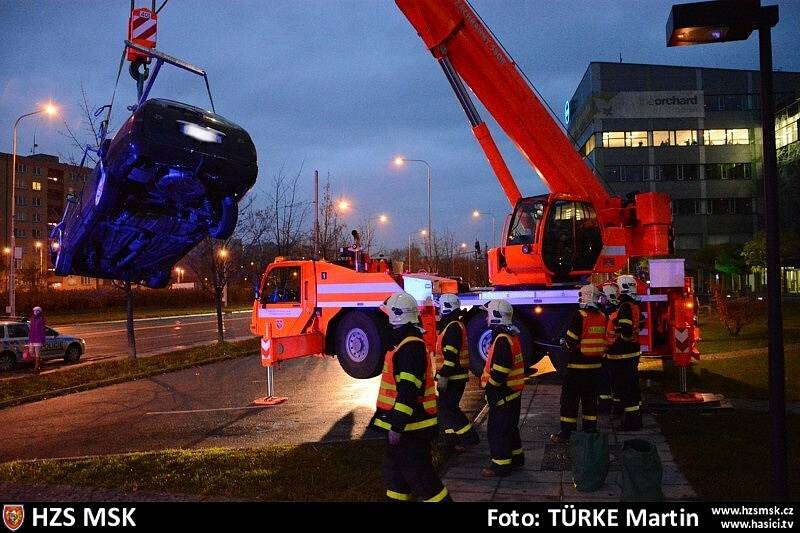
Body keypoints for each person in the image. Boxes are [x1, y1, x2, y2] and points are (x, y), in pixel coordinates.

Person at [371, 291, 451, 502]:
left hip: (410, 430)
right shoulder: (405, 343)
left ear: (396, 315)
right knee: (397, 480)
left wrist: (397, 425)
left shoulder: (410, 347)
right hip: (405, 428)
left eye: (388, 313)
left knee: (424, 482)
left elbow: (408, 391)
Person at [550, 284, 607, 443]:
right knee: (590, 400)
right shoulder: (602, 316)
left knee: (569, 401)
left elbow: (570, 341)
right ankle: (590, 429)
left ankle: (566, 433)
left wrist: (564, 343)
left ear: (587, 297)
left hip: (577, 368)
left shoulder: (580, 315)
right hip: (595, 368)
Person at [480, 299, 525, 478]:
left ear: (495, 316)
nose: (486, 318)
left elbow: (500, 370)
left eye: (488, 314)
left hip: (503, 394)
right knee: (510, 429)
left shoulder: (501, 339)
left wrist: (491, 389)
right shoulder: (510, 335)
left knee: (497, 431)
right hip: (512, 394)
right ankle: (516, 458)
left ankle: (500, 466)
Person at [433, 293, 479, 451]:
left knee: (448, 409)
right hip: (455, 377)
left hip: (453, 378)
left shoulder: (452, 327)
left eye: (440, 307)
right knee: (447, 409)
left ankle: (469, 437)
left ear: (446, 307)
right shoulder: (453, 325)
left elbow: (451, 356)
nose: (438, 310)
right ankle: (453, 440)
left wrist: (444, 376)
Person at [606, 275, 643, 431]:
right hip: (629, 354)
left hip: (623, 355)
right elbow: (640, 323)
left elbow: (626, 330)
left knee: (627, 390)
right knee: (630, 388)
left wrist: (616, 328)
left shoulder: (625, 306)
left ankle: (632, 422)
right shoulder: (632, 304)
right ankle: (632, 418)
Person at [29, 306, 46, 373]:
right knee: (31, 352)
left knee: (37, 353)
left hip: (38, 339)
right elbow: (31, 328)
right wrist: (29, 336)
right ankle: (39, 362)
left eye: (36, 310)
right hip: (32, 338)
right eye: (34, 310)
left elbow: (42, 330)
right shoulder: (32, 318)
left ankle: (36, 367)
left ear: (39, 311)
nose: (35, 312)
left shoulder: (41, 319)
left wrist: (43, 339)